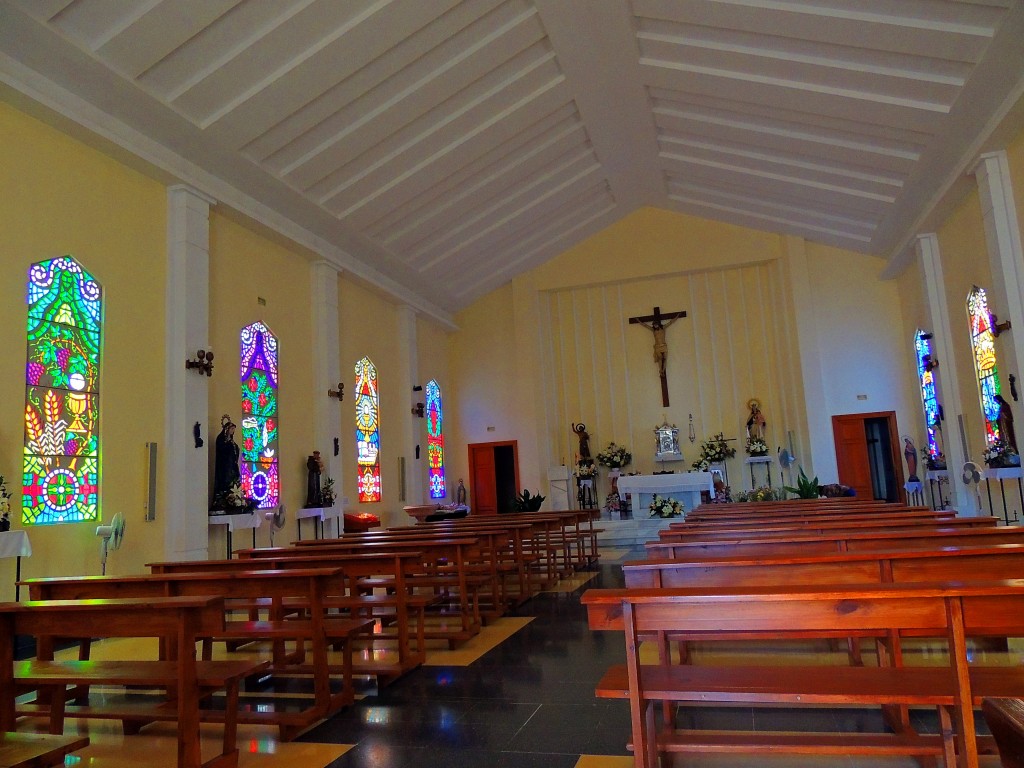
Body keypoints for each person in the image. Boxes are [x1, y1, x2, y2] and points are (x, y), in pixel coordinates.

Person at [212, 414, 240, 509]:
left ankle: (234, 500)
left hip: (232, 466)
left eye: (233, 430)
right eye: (231, 429)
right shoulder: (221, 440)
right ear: (227, 429)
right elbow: (222, 452)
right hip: (224, 467)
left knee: (233, 482)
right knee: (225, 483)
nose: (233, 431)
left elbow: (235, 453)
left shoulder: (232, 443)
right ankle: (222, 500)